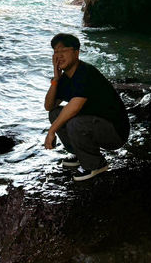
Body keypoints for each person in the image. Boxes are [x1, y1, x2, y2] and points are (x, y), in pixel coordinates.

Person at [44, 32, 130, 181]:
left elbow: (75, 107)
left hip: (115, 131)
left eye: (63, 51)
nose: (59, 55)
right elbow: (49, 106)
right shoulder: (65, 78)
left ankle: (96, 165)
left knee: (74, 122)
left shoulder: (85, 72)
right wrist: (56, 79)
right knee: (55, 114)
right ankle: (79, 155)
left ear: (76, 52)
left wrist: (51, 132)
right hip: (94, 124)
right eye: (56, 52)